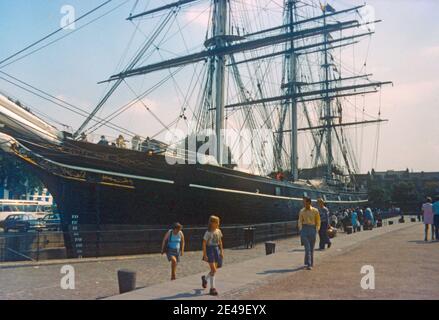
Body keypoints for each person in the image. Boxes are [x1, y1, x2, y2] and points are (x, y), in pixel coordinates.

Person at [201, 215, 224, 296]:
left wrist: (221, 251)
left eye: (218, 222)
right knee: (214, 270)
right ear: (212, 223)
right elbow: (204, 243)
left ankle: (205, 279)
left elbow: (220, 242)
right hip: (209, 250)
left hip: (216, 249)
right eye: (217, 222)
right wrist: (205, 254)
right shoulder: (208, 232)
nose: (218, 223)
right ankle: (212, 288)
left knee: (214, 270)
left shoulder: (218, 231)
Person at [298, 197, 320, 270]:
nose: (303, 203)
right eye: (303, 202)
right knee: (307, 248)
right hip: (304, 229)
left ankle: (308, 262)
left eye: (304, 202)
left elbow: (318, 221)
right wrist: (301, 229)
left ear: (309, 202)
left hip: (312, 229)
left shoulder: (315, 211)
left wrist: (316, 230)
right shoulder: (301, 211)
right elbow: (300, 221)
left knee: (311, 248)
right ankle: (309, 264)